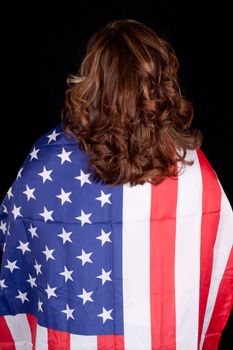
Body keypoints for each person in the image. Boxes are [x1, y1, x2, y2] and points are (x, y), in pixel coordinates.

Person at [0, 18, 232, 350]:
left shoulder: (43, 165)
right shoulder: (196, 171)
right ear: (160, 81)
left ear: (92, 80)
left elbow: (12, 254)